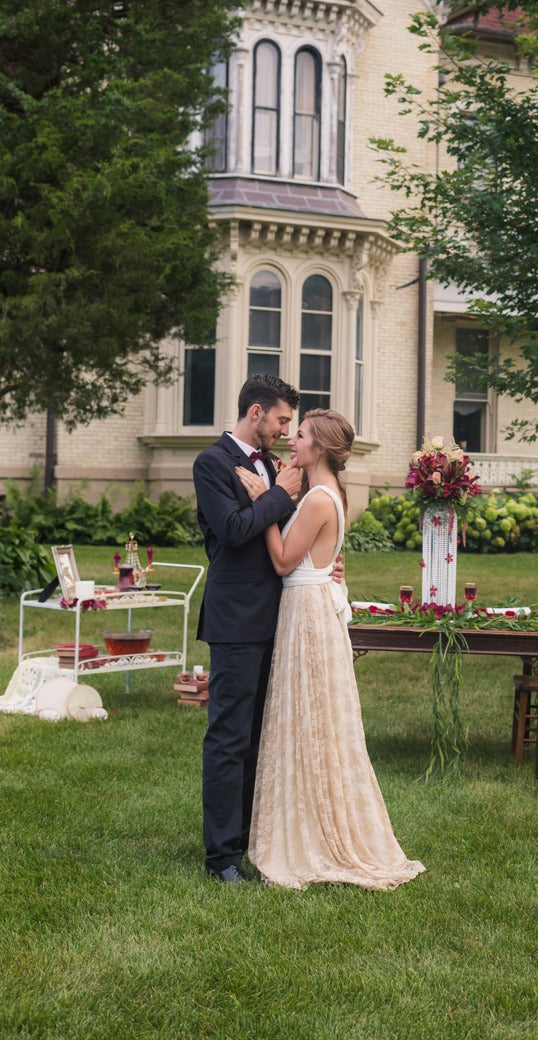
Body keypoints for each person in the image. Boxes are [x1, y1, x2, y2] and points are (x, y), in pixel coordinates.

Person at [235, 408, 425, 891]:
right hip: (310, 602)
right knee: (309, 717)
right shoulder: (327, 492)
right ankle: (308, 820)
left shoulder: (319, 498)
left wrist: (267, 502)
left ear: (318, 448)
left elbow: (281, 561)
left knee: (311, 717)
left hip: (306, 611)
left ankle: (317, 836)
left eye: (298, 436)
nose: (290, 441)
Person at [193, 373, 303, 884]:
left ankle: (250, 840)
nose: (286, 430)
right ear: (255, 412)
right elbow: (235, 531)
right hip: (235, 618)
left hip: (279, 615)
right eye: (282, 419)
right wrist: (280, 494)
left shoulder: (274, 468)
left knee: (260, 736)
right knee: (230, 738)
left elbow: (284, 534)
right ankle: (221, 858)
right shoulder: (212, 464)